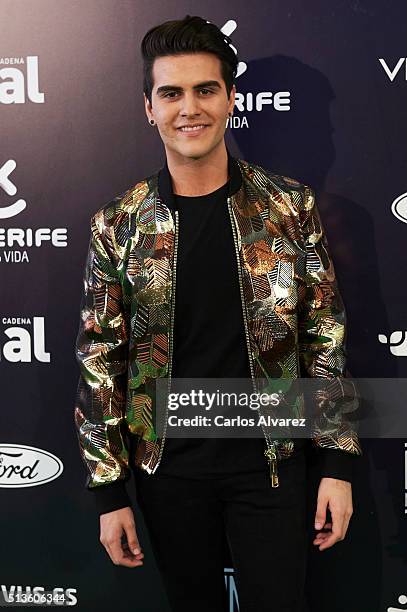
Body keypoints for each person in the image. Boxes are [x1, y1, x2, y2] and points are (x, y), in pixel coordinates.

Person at [74, 15, 362, 612]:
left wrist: (337, 463)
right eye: (171, 93)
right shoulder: (118, 225)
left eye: (206, 89)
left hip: (273, 466)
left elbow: (323, 337)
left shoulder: (290, 207)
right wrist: (108, 492)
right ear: (148, 108)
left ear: (231, 99)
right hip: (168, 472)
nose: (189, 109)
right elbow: (101, 359)